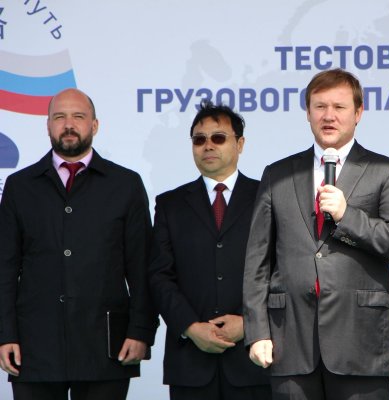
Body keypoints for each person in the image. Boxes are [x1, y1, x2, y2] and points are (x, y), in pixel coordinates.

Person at [243, 68, 389, 400]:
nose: (328, 116)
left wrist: (346, 216)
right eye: (320, 106)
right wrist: (257, 332)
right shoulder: (277, 174)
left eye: (339, 107)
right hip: (289, 343)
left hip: (361, 344)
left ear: (358, 113)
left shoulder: (386, 172)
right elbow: (257, 263)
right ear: (307, 112)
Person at [0, 88, 157, 400]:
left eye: (78, 117)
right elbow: (4, 268)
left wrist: (141, 331)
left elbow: (143, 268)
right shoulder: (20, 186)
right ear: (48, 125)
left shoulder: (125, 184)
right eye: (59, 117)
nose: (68, 124)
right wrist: (5, 334)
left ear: (94, 125)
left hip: (106, 346)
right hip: (35, 346)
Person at [148, 102, 271, 400]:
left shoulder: (267, 197)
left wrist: (249, 324)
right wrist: (190, 327)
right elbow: (159, 276)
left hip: (253, 360)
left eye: (218, 137)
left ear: (240, 144)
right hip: (190, 362)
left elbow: (282, 271)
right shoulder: (170, 204)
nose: (208, 146)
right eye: (199, 139)